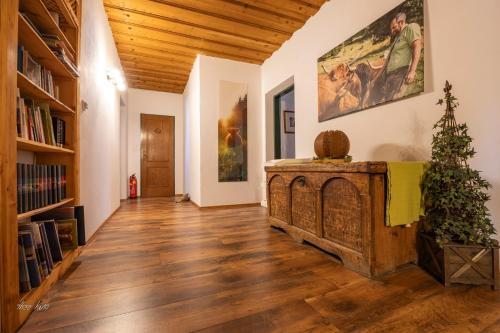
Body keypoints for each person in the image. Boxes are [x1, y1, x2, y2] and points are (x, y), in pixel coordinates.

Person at [367, 12, 422, 106]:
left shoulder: (411, 27)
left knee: (394, 102)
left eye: (394, 27)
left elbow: (417, 46)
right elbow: (386, 62)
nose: (392, 31)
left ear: (401, 22)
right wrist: (375, 79)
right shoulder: (397, 39)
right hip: (390, 76)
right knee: (387, 102)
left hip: (401, 73)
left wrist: (412, 71)